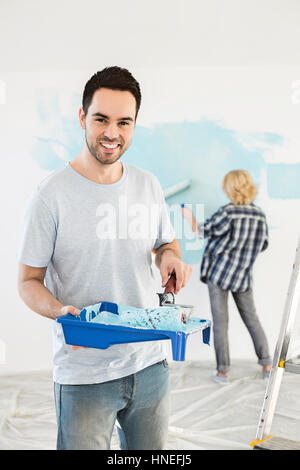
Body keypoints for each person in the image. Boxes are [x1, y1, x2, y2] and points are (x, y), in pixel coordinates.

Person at [17, 66, 192, 450]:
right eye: (101, 119)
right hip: (84, 374)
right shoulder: (51, 195)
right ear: (82, 118)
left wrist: (170, 259)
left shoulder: (148, 184)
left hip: (151, 362)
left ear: (134, 125)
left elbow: (167, 244)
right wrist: (60, 310)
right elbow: (28, 281)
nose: (112, 133)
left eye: (123, 122)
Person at [181, 169, 271, 385]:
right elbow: (264, 244)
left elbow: (202, 231)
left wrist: (188, 216)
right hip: (243, 276)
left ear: (229, 188)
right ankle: (267, 365)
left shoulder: (227, 213)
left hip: (219, 275)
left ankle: (223, 372)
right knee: (252, 319)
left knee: (221, 323)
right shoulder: (259, 214)